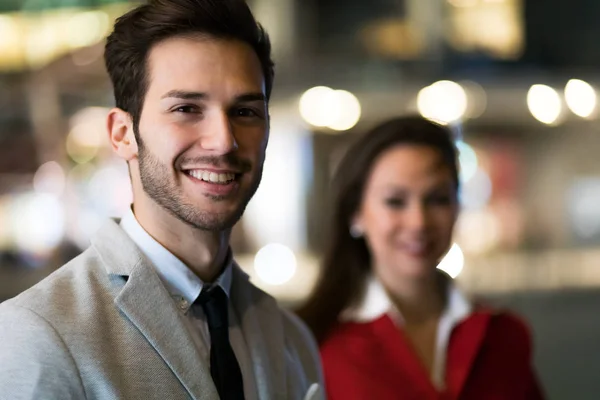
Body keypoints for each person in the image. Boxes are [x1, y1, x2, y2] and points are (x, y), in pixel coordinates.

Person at [0, 1, 323, 399]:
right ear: (122, 134)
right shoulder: (40, 333)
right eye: (186, 108)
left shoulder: (290, 337)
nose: (224, 140)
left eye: (245, 111)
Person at [297, 116, 544, 400]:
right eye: (395, 201)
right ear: (356, 214)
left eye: (437, 199)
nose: (418, 222)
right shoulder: (312, 344)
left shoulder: (503, 336)